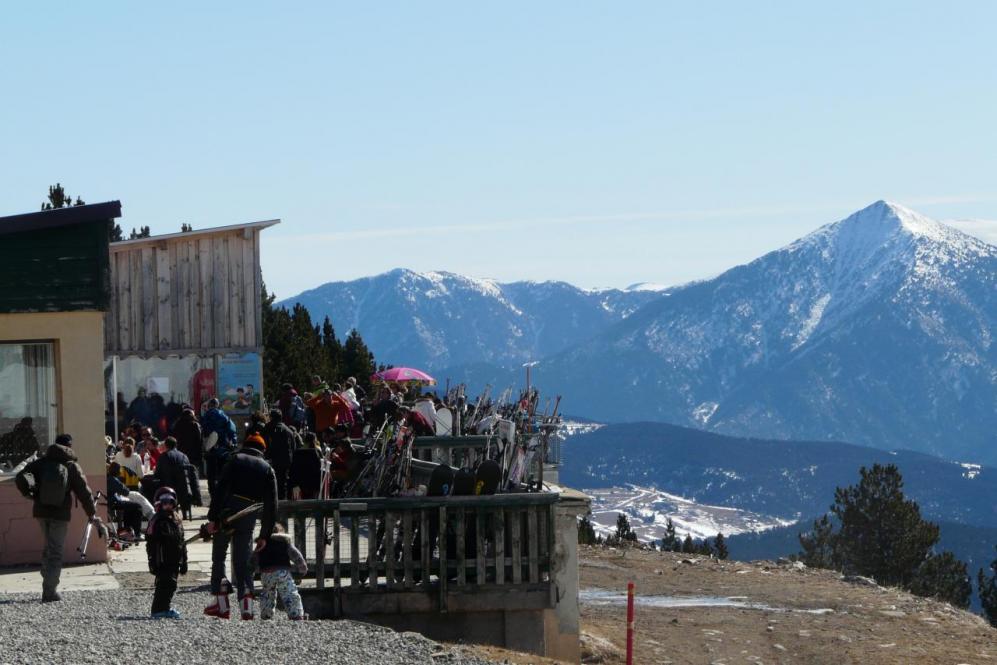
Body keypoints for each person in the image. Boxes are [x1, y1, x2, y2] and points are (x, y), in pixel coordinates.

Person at [15, 434, 105, 602]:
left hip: (41, 511)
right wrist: (91, 514)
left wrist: (30, 494)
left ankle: (47, 576)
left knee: (49, 546)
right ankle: (49, 592)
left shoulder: (41, 463)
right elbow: (84, 493)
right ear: (70, 446)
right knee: (55, 551)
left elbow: (21, 477)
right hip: (60, 514)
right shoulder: (71, 465)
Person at [204, 433, 278, 621]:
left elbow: (220, 488)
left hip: (226, 512)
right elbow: (272, 505)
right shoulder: (267, 468)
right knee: (242, 562)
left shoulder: (235, 459)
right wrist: (265, 535)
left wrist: (213, 518)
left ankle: (222, 607)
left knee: (219, 557)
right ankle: (246, 608)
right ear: (262, 450)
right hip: (249, 513)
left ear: (245, 445)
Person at [146, 486, 187, 619]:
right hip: (162, 559)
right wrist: (153, 561)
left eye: (170, 502)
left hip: (175, 558)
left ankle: (165, 607)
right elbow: (151, 542)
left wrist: (184, 560)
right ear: (159, 504)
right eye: (164, 502)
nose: (168, 505)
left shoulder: (176, 519)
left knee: (172, 584)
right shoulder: (157, 520)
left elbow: (182, 540)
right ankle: (158, 610)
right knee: (165, 583)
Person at [251, 524, 307, 620]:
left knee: (268, 593)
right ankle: (296, 614)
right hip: (282, 572)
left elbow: (254, 559)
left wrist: (251, 571)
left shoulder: (262, 543)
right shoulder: (285, 542)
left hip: (266, 572)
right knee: (289, 592)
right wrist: (302, 567)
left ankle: (266, 615)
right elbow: (296, 555)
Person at [154, 437, 193, 520]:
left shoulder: (164, 456)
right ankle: (185, 514)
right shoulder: (184, 456)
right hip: (184, 488)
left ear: (166, 445)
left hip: (169, 488)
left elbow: (157, 474)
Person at [263, 409, 296, 500]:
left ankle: (271, 500)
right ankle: (282, 501)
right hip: (286, 461)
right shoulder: (288, 430)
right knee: (283, 482)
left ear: (271, 417)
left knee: (270, 482)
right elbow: (294, 447)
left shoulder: (267, 428)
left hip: (271, 460)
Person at [107, 462, 143, 540]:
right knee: (138, 507)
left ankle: (128, 531)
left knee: (129, 506)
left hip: (111, 501)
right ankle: (137, 533)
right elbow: (125, 491)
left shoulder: (109, 478)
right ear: (117, 471)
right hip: (113, 503)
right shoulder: (113, 480)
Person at [289, 432, 322, 500]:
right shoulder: (316, 452)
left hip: (299, 484)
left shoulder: (297, 453)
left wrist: (294, 484)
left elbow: (293, 470)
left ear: (304, 440)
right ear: (314, 441)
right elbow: (319, 469)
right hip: (313, 484)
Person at [171, 408, 203, 474]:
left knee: (182, 472)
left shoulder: (177, 424)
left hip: (181, 452)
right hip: (193, 453)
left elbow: (173, 437)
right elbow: (199, 440)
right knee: (192, 472)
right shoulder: (195, 425)